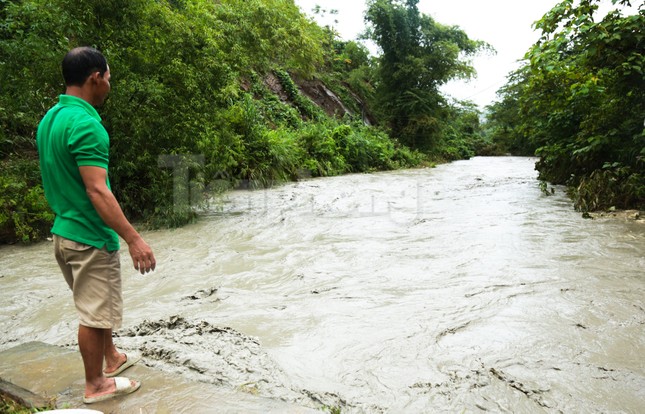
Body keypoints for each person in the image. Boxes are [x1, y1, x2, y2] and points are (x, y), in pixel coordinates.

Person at [36, 47, 156, 404]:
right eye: (109, 78)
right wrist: (134, 239)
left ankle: (112, 357)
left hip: (64, 232)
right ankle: (97, 384)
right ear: (95, 78)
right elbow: (97, 190)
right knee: (93, 314)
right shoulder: (87, 125)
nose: (109, 85)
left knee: (96, 307)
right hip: (89, 237)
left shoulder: (51, 119)